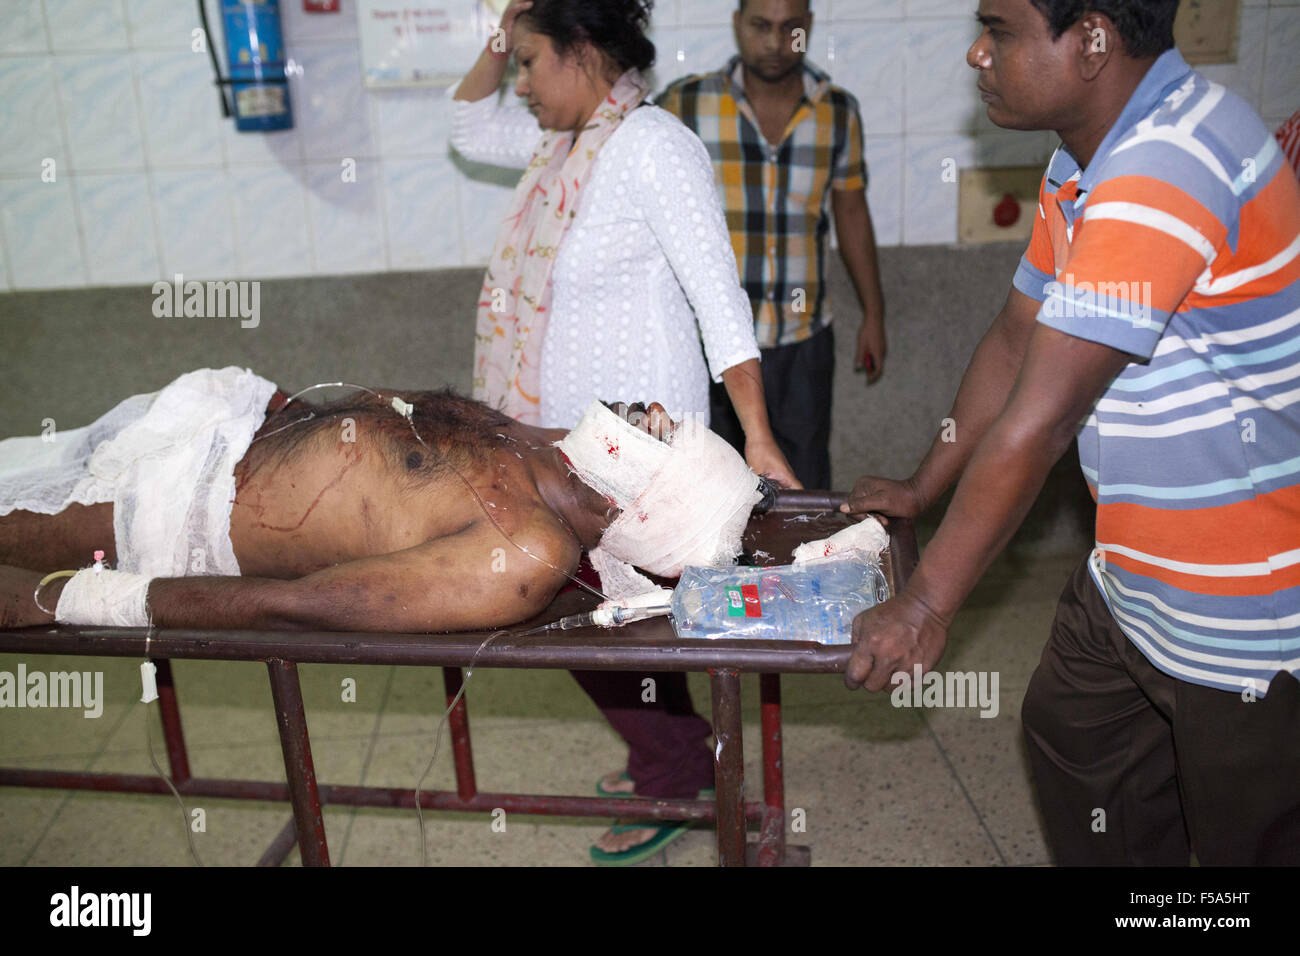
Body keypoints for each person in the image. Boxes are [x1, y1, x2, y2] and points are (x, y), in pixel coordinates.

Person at [841, 0, 1300, 865]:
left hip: (1243, 611)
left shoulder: (1168, 163)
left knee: (1250, 840)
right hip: (1135, 574)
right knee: (1073, 737)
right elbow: (1016, 339)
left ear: (1093, 39)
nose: (977, 53)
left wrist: (928, 603)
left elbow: (1040, 421)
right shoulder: (1080, 163)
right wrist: (921, 487)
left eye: (1001, 29)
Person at [449, 0, 799, 863]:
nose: (520, 84)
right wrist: (506, 23)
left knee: (577, 610)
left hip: (630, 451)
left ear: (582, 50)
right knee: (609, 615)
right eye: (516, 63)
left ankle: (675, 775)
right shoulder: (556, 147)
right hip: (556, 444)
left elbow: (720, 298)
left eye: (531, 62)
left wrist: (757, 435)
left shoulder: (651, 144)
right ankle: (682, 758)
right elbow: (461, 123)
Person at [0, 368, 760, 639]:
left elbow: (299, 607)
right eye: (669, 418)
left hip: (165, 510)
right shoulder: (544, 444)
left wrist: (65, 598)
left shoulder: (525, 552)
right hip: (209, 426)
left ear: (641, 510)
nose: (656, 410)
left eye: (663, 436)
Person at [656, 0, 887, 489]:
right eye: (761, 26)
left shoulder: (838, 111)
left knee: (803, 482)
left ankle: (803, 570)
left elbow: (850, 211)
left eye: (791, 28)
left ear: (809, 27)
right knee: (708, 492)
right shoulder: (684, 104)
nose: (776, 42)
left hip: (802, 338)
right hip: (711, 346)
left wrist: (874, 313)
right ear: (738, 24)